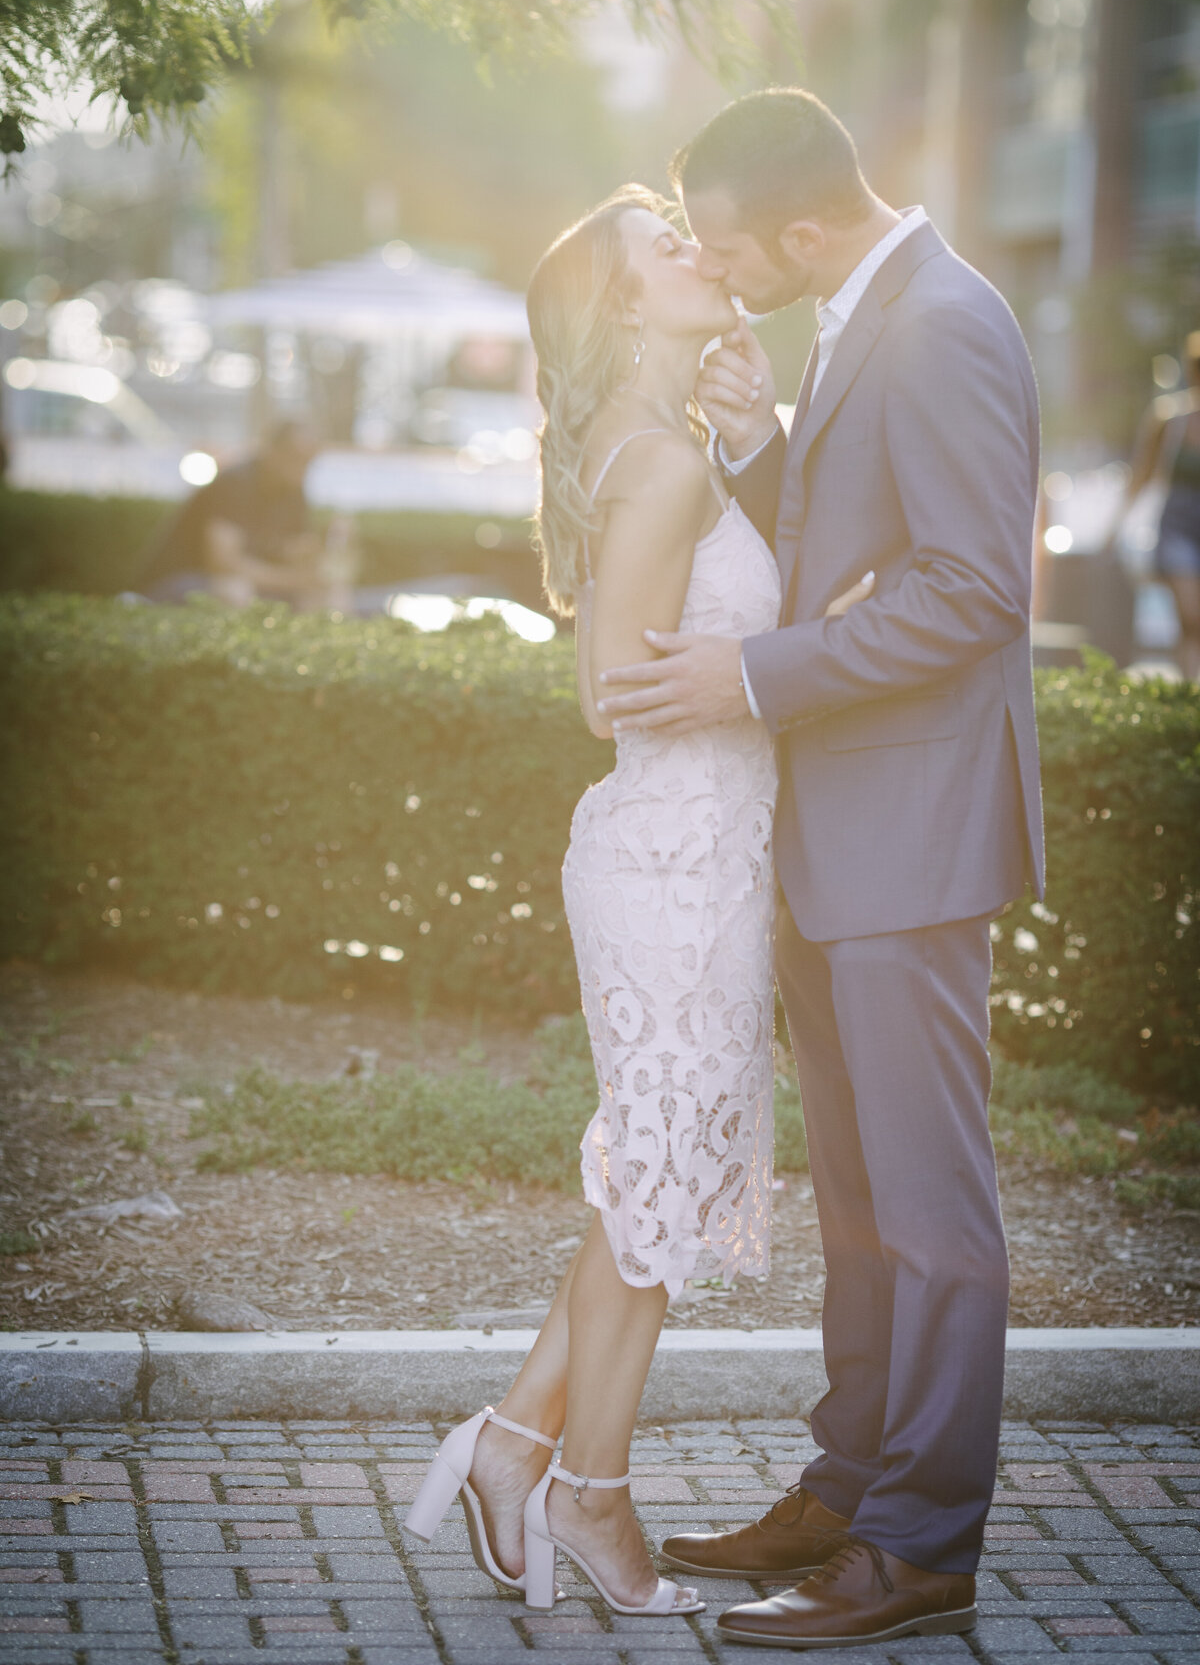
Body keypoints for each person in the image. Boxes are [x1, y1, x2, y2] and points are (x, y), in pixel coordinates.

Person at [597, 89, 1044, 1649]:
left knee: (929, 1211)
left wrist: (754, 678)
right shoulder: (863, 313)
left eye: (722, 240)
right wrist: (763, 440)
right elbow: (864, 525)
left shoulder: (945, 318)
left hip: (910, 837)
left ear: (799, 226)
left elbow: (977, 585)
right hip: (839, 834)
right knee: (861, 1203)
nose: (715, 265)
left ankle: (920, 1545)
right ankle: (849, 1489)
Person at [404, 185, 868, 1621]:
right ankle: (586, 1495)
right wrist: (791, 655)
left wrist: (752, 446)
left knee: (649, 1185)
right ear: (622, 304)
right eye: (668, 245)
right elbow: (617, 687)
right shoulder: (657, 467)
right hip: (673, 858)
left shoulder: (672, 447)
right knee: (657, 1190)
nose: (700, 250)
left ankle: (522, 1449)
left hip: (704, 853)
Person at [137, 419, 343, 608]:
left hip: (240, 583)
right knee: (234, 591)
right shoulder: (236, 482)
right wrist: (291, 580)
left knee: (322, 595)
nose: (303, 466)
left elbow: (295, 551)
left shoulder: (293, 492)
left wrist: (323, 553)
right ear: (271, 449)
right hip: (176, 582)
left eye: (309, 458)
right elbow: (223, 563)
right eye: (295, 455)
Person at [1104, 331, 1200, 680]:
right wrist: (1114, 529)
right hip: (1178, 529)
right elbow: (1140, 476)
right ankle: (1189, 695)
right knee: (1191, 617)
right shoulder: (1169, 420)